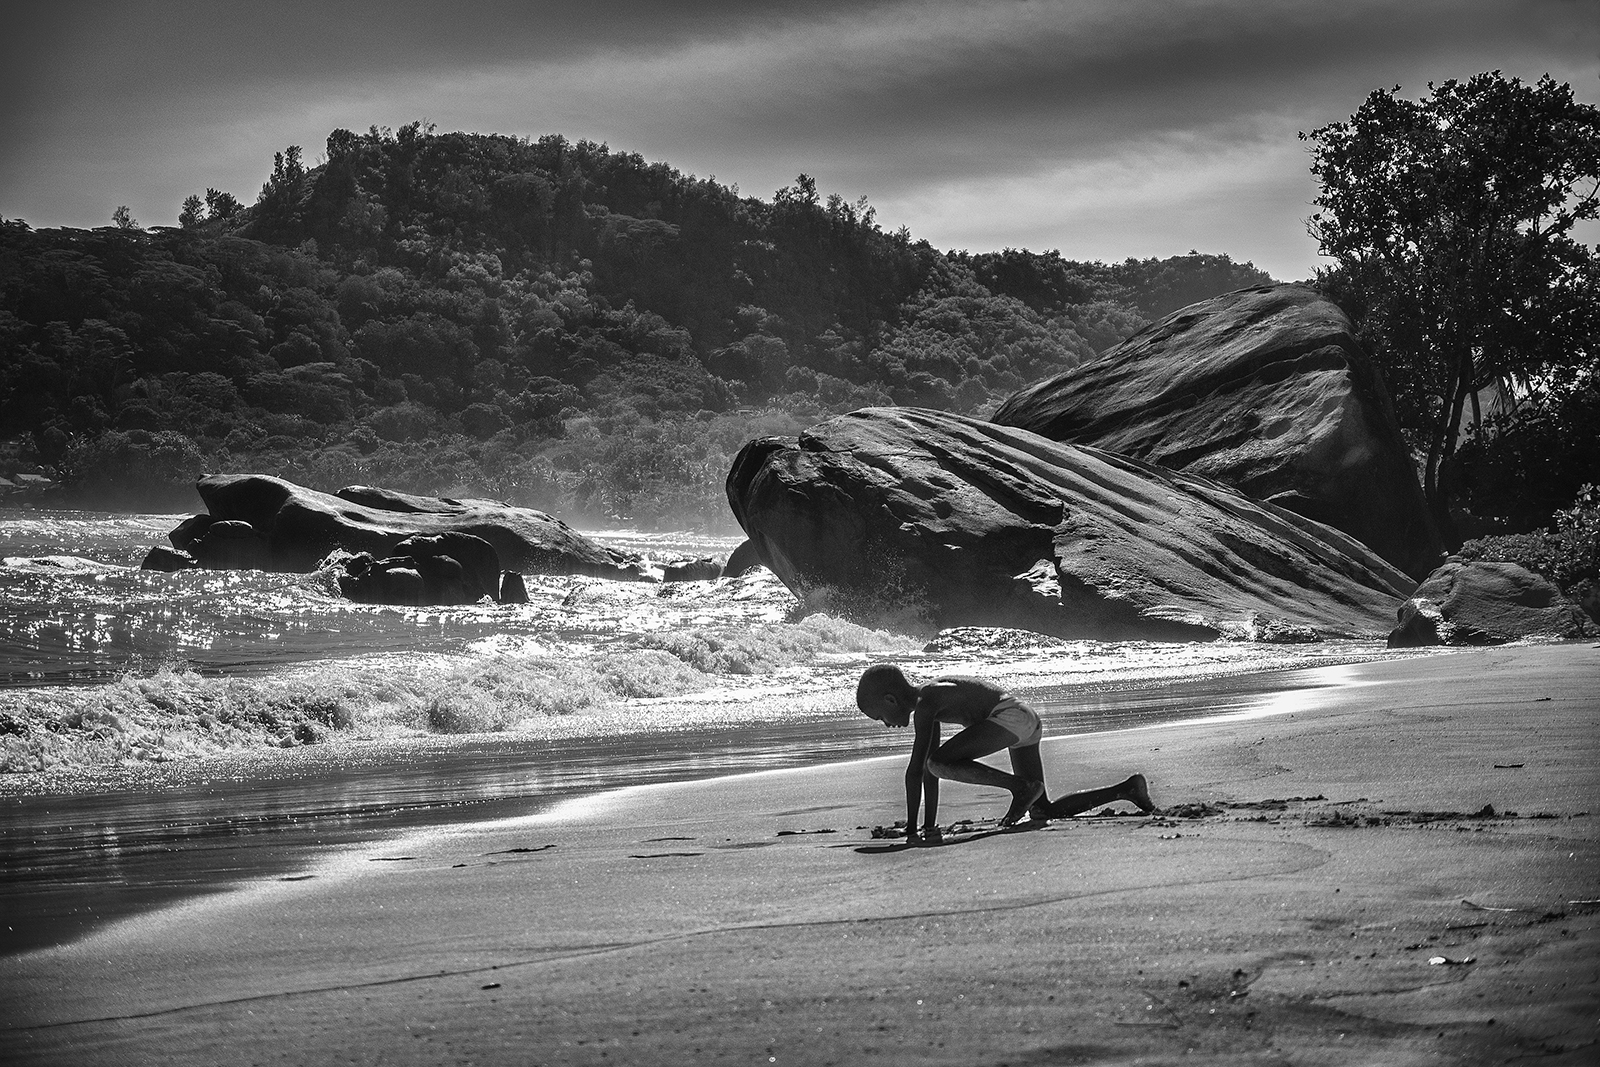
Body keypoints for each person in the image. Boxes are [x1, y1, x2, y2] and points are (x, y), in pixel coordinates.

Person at [856, 664, 1154, 844]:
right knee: (1042, 810)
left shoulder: (926, 702)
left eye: (880, 717)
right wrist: (927, 826)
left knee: (939, 762)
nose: (886, 724)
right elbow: (929, 775)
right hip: (1025, 720)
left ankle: (1020, 787)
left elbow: (917, 770)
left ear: (891, 699)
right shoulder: (928, 704)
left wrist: (911, 830)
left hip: (1008, 717)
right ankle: (1126, 789)